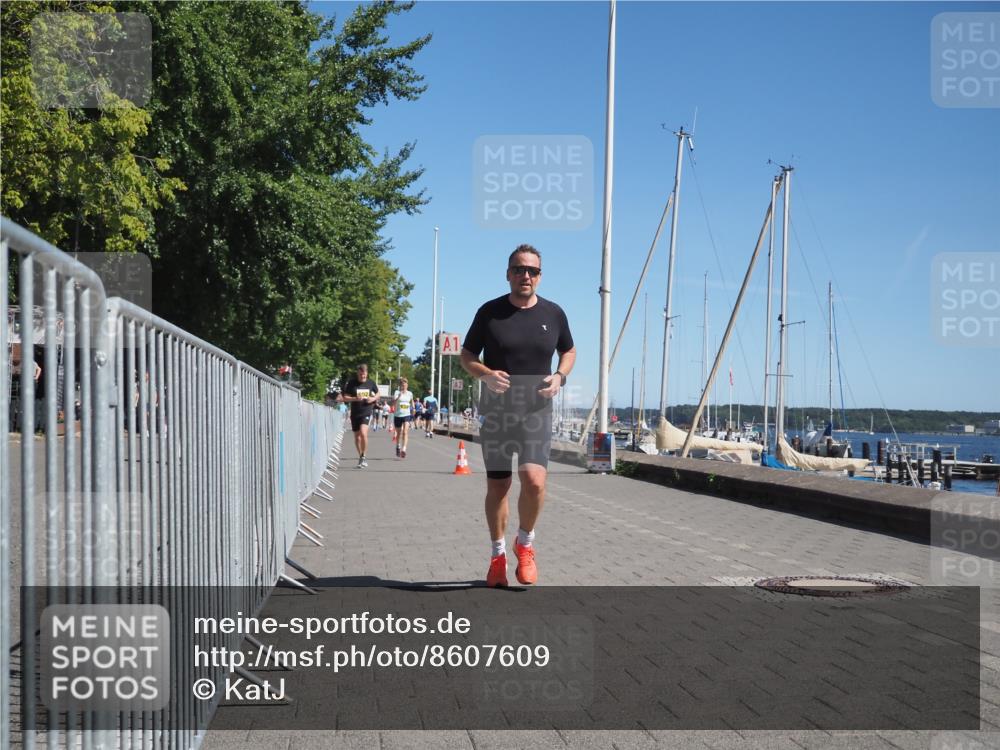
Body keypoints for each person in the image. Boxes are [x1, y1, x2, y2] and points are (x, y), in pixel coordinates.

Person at [460, 244, 575, 588]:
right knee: (499, 485)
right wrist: (485, 374)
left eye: (533, 271)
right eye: (519, 269)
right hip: (497, 412)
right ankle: (497, 556)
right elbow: (467, 355)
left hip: (536, 412)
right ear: (508, 273)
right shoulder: (489, 312)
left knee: (534, 480)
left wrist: (559, 377)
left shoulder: (554, 314)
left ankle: (524, 545)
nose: (526, 276)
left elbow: (568, 350)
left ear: (540, 276)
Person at [342, 364, 379, 468]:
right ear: (358, 373)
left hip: (366, 411)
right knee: (357, 438)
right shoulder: (352, 383)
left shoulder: (371, 382)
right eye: (361, 375)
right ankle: (361, 456)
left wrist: (372, 399)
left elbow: (378, 393)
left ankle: (363, 456)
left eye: (364, 375)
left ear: (367, 373)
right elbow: (345, 397)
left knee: (363, 433)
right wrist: (355, 398)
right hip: (355, 412)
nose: (363, 377)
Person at [391, 377, 415, 458]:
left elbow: (412, 402)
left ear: (407, 385)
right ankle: (398, 446)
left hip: (406, 415)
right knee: (398, 434)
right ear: (400, 385)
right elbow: (393, 403)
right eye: (402, 384)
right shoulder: (397, 392)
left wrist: (413, 409)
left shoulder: (410, 393)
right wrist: (398, 397)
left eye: (405, 384)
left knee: (405, 432)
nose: (404, 385)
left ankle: (404, 449)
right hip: (398, 415)